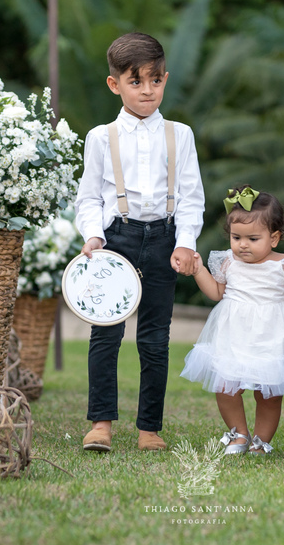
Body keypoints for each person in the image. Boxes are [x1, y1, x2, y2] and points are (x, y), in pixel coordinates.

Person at [74, 32, 204, 453]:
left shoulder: (180, 135)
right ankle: (101, 424)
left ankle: (149, 428)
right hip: (116, 239)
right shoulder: (101, 137)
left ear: (165, 79)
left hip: (164, 239)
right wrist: (93, 235)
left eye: (155, 80)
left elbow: (191, 196)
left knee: (155, 337)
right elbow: (88, 198)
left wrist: (185, 242)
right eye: (136, 82)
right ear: (115, 85)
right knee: (105, 334)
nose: (147, 90)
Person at [180, 186, 284, 454]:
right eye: (236, 237)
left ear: (274, 238)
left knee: (269, 393)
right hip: (234, 333)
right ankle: (239, 433)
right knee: (225, 387)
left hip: (272, 336)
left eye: (252, 238)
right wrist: (198, 270)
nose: (243, 244)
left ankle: (261, 441)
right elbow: (216, 292)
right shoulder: (228, 262)